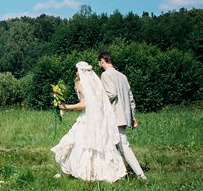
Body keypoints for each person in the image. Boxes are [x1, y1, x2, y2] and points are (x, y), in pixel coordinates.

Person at [51, 61, 127, 182]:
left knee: (81, 144)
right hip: (99, 118)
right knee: (97, 144)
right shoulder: (96, 84)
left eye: (76, 71)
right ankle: (96, 172)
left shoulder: (81, 84)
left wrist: (66, 106)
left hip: (87, 118)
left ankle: (82, 172)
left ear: (79, 71)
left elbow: (84, 104)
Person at [97, 52, 147, 180]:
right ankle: (111, 174)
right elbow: (131, 98)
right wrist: (132, 117)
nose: (99, 65)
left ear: (102, 61)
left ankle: (140, 175)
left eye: (99, 62)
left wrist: (98, 102)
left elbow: (111, 93)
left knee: (123, 146)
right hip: (124, 115)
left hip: (114, 116)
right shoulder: (122, 76)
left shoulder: (105, 75)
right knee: (110, 145)